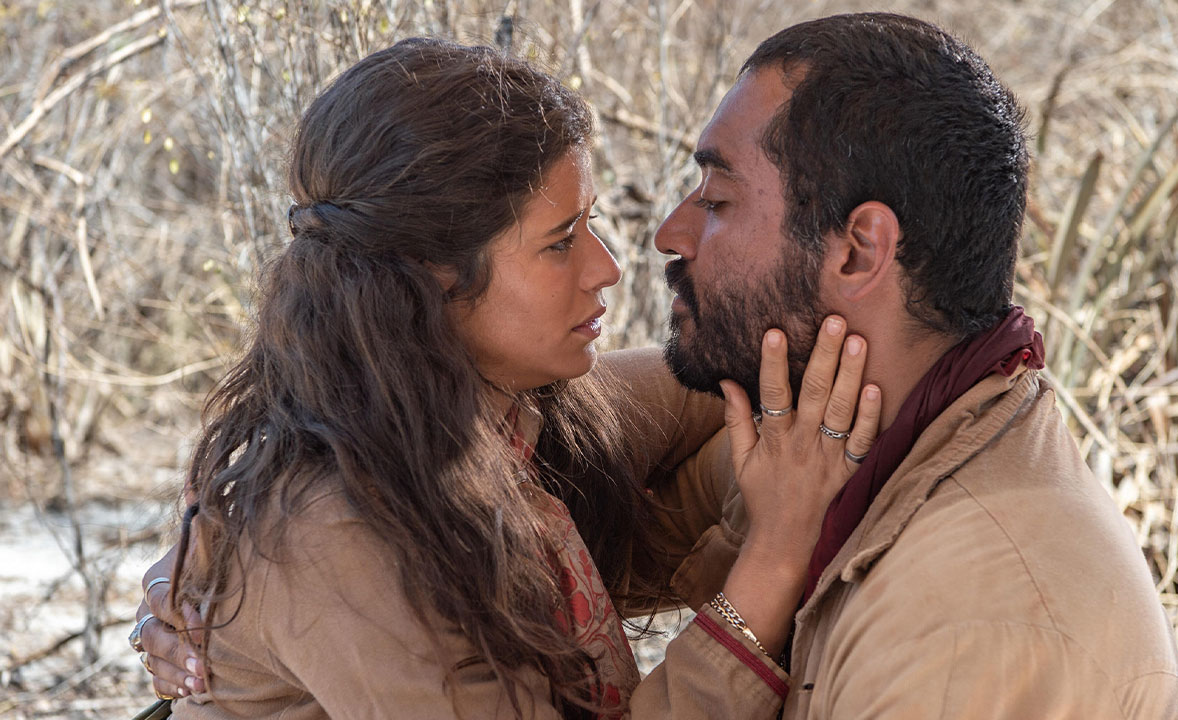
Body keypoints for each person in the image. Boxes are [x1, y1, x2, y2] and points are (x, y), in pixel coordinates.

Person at [126, 36, 881, 719]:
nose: (608, 269)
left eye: (590, 225)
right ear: (428, 278)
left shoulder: (501, 413)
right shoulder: (339, 532)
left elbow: (721, 383)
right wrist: (775, 558)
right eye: (560, 243)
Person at [653, 12, 1178, 719]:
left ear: (858, 250)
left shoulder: (960, 631)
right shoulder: (835, 443)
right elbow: (609, 448)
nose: (673, 232)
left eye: (718, 200)